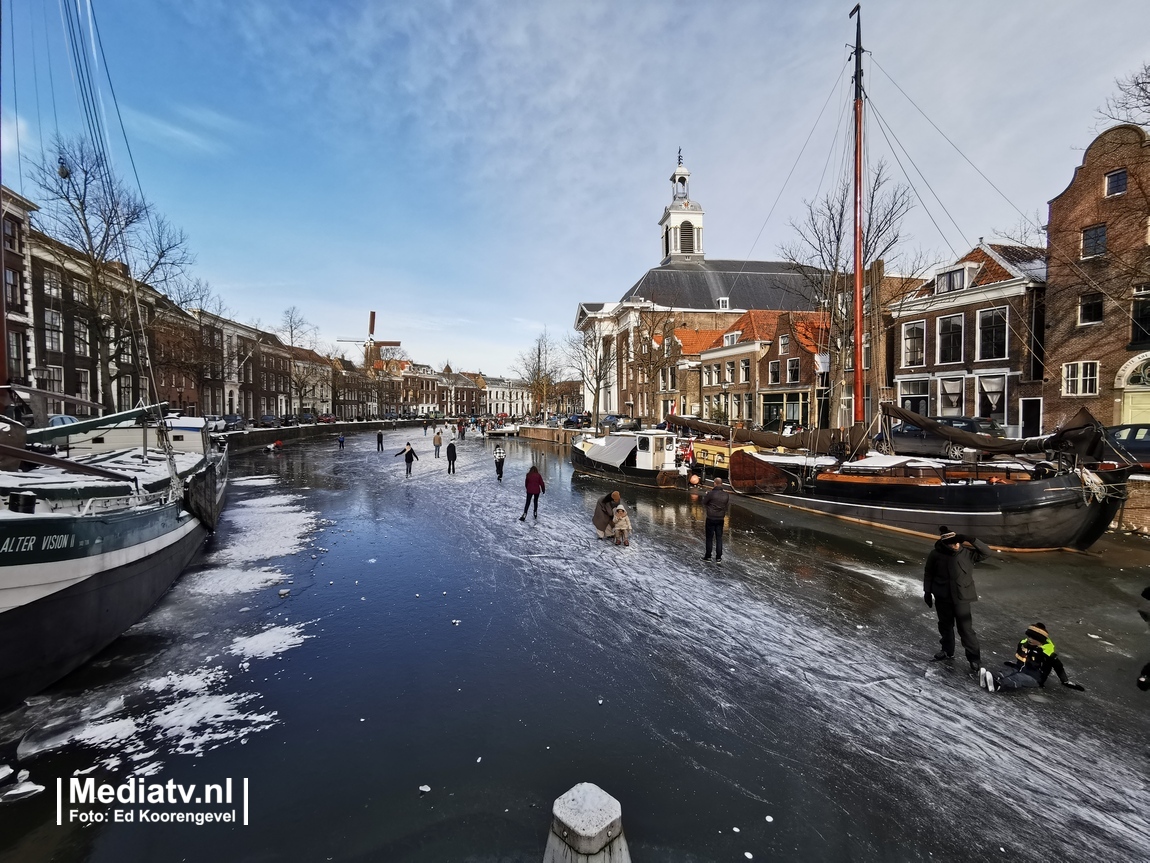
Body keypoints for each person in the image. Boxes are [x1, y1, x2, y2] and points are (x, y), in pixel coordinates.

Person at [923, 526, 990, 674]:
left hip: (962, 597)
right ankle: (947, 651)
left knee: (966, 629)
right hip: (943, 596)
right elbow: (928, 573)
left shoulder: (967, 553)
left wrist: (972, 539)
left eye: (958, 543)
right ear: (945, 544)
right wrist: (927, 591)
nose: (956, 546)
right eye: (952, 544)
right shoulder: (935, 554)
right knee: (945, 626)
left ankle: (974, 659)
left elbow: (987, 552)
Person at [981, 623, 1085, 693]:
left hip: (1034, 678)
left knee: (1017, 678)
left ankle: (998, 685)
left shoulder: (1046, 653)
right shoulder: (1025, 644)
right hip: (1019, 669)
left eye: (1033, 638)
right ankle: (990, 677)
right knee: (1007, 671)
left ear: (1040, 640)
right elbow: (1022, 659)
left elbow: (1059, 667)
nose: (1030, 639)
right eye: (1029, 637)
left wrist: (1065, 681)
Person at [702, 477, 730, 562]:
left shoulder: (711, 494)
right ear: (722, 484)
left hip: (711, 518)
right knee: (719, 538)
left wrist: (707, 495)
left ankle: (708, 556)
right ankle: (718, 557)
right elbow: (726, 506)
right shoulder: (726, 495)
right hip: (720, 519)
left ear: (715, 483)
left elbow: (704, 502)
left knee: (709, 538)